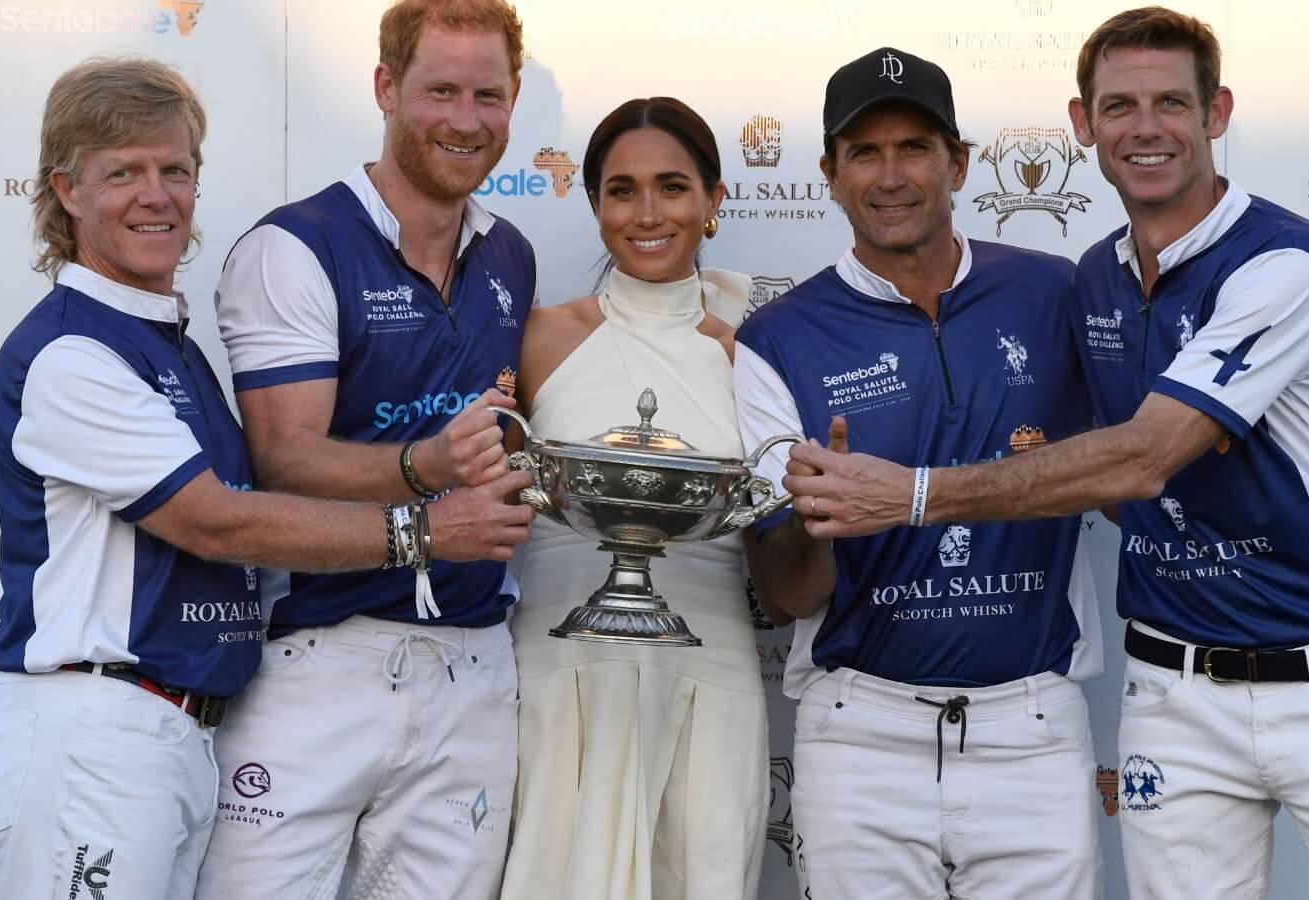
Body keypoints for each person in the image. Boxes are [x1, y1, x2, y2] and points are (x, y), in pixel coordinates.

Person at [782, 10, 1309, 900]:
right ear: (1083, 125)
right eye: (1118, 106)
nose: (1144, 128)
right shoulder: (1094, 279)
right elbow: (1103, 474)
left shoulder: (1285, 262)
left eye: (1170, 103)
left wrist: (915, 494)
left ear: (1216, 112)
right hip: (1174, 693)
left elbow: (1143, 457)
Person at [0, 58, 528, 900]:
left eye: (175, 170)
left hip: (176, 732)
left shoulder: (170, 345)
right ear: (67, 191)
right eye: (122, 173)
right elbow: (216, 523)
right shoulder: (71, 353)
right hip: (96, 731)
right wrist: (423, 529)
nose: (156, 196)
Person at [732, 48, 1102, 900]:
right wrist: (817, 513)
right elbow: (786, 592)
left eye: (914, 148)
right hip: (861, 735)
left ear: (959, 163)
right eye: (864, 152)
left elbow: (1141, 457)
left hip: (1034, 727)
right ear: (829, 173)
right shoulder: (777, 340)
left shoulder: (1056, 293)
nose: (890, 176)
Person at [194, 1, 540, 897]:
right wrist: (429, 470)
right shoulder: (295, 246)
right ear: (386, 88)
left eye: (489, 95)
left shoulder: (511, 256)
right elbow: (285, 459)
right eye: (441, 91)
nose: (466, 121)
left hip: (471, 658)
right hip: (323, 655)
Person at [499, 96, 767, 900]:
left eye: (673, 187)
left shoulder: (754, 353)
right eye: (622, 190)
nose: (647, 213)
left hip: (709, 665)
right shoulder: (539, 338)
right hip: (556, 664)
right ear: (594, 205)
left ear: (714, 202)